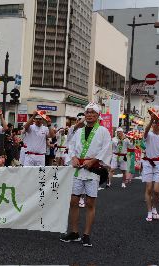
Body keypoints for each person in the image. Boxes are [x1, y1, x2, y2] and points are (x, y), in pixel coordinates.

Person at [60, 103, 111, 247]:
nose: (89, 115)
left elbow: (106, 149)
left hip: (93, 170)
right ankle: (75, 232)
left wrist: (94, 160)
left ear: (97, 115)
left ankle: (87, 235)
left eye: (92, 113)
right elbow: (71, 146)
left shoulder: (103, 131)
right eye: (87, 112)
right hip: (78, 169)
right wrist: (73, 158)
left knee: (90, 203)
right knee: (73, 201)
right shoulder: (79, 131)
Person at [141, 110, 159, 222]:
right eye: (154, 123)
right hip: (148, 163)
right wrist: (152, 119)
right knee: (148, 188)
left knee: (157, 191)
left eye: (157, 123)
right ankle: (149, 211)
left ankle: (154, 208)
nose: (155, 125)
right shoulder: (149, 135)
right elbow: (146, 131)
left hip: (158, 164)